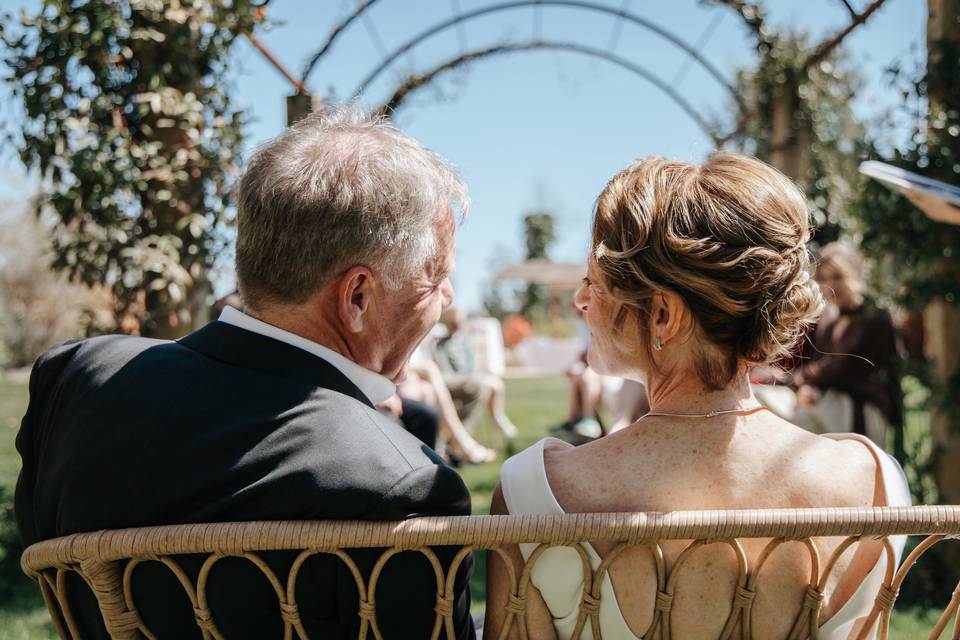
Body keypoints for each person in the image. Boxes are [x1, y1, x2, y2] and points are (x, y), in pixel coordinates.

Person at [16, 104, 476, 640]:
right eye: (437, 277)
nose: (446, 296)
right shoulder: (400, 485)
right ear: (356, 296)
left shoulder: (72, 377)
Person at [485, 154, 910, 640]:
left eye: (593, 283)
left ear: (664, 315)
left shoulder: (536, 493)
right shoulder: (873, 482)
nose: (581, 302)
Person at [790, 243, 903, 448]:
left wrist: (796, 380)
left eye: (838, 277)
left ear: (854, 275)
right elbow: (820, 365)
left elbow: (839, 367)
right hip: (829, 402)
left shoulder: (875, 317)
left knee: (796, 423)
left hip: (861, 408)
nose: (830, 285)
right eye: (824, 279)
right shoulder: (828, 318)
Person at [436, 306, 519, 438]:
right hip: (455, 381)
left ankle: (497, 417)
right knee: (485, 389)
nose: (457, 326)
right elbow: (445, 369)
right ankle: (489, 421)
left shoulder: (464, 341)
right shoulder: (441, 344)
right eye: (454, 323)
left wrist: (472, 375)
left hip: (469, 378)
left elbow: (472, 365)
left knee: (495, 385)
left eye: (458, 323)